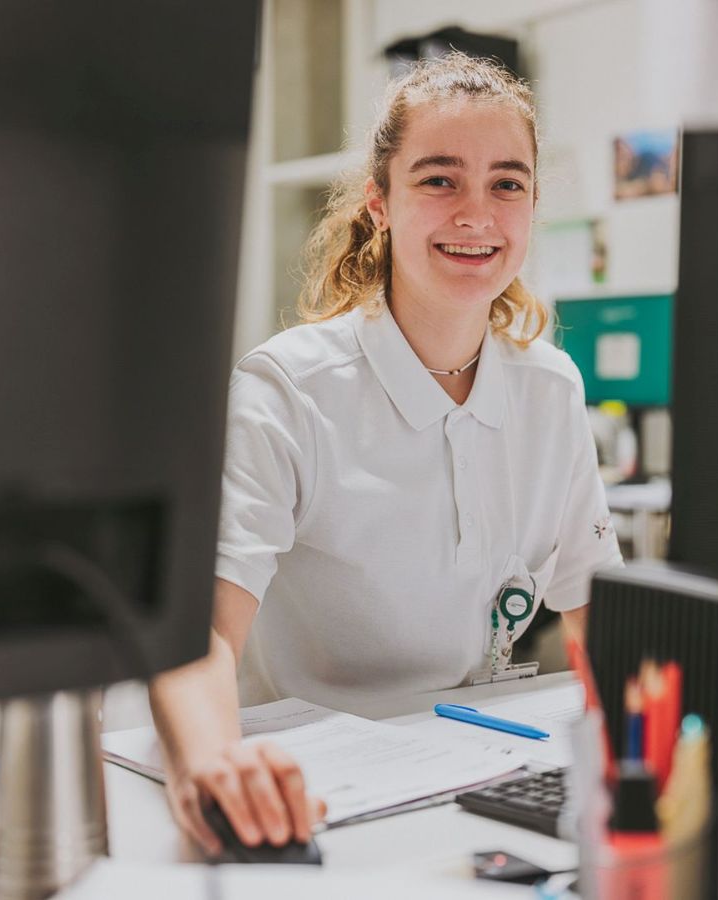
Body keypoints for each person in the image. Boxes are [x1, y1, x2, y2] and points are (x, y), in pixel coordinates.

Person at [148, 52, 623, 857]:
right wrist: (214, 765)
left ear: (534, 204)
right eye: (440, 180)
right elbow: (200, 633)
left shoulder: (550, 389)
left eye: (507, 183)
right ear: (380, 202)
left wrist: (643, 764)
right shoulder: (288, 388)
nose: (478, 213)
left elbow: (597, 622)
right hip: (304, 785)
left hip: (463, 776)